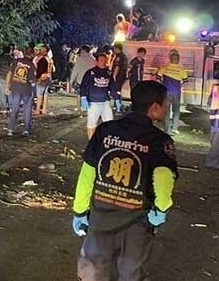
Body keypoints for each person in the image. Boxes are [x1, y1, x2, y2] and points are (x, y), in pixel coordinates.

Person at [71, 81, 178, 281]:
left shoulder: (104, 130)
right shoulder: (159, 140)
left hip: (100, 218)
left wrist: (80, 210)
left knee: (93, 270)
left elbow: (87, 173)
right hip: (137, 223)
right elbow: (163, 178)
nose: (167, 107)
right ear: (154, 108)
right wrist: (161, 209)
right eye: (166, 103)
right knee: (131, 271)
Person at [80, 53, 114, 140]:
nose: (103, 63)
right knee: (91, 124)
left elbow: (112, 86)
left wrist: (117, 98)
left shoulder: (108, 73)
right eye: (101, 61)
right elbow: (83, 86)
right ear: (97, 61)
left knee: (109, 124)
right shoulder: (91, 72)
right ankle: (91, 143)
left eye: (104, 61)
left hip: (105, 102)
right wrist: (83, 97)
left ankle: (106, 142)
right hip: (93, 102)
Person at [5, 46, 37, 136]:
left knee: (14, 109)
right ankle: (26, 130)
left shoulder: (16, 61)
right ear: (32, 54)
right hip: (26, 90)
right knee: (27, 109)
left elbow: (9, 73)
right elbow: (32, 80)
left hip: (15, 88)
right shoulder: (31, 65)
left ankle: (10, 129)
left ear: (24, 52)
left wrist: (7, 86)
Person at [157, 51, 189, 136]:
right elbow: (186, 80)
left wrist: (163, 84)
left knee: (166, 111)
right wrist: (179, 85)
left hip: (166, 92)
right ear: (178, 60)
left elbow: (158, 77)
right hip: (176, 93)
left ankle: (166, 129)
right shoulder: (181, 70)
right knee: (176, 110)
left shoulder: (165, 68)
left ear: (170, 59)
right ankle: (175, 128)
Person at [0, 44, 15, 111]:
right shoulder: (13, 59)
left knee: (2, 94)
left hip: (1, 78)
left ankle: (4, 108)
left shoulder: (0, 59)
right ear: (10, 51)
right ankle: (11, 108)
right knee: (10, 93)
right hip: (11, 79)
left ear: (3, 51)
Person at [33, 43, 54, 116]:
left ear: (44, 51)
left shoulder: (43, 59)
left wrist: (37, 78)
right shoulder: (50, 59)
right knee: (45, 94)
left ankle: (37, 110)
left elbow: (40, 70)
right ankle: (44, 109)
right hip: (48, 77)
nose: (40, 51)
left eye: (41, 49)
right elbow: (52, 69)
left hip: (42, 78)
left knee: (39, 95)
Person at [110, 43, 128, 113]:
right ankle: (117, 106)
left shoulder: (119, 57)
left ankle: (118, 108)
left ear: (117, 48)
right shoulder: (124, 56)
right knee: (118, 92)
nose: (113, 50)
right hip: (122, 77)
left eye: (114, 48)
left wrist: (114, 76)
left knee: (116, 92)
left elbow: (117, 66)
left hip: (118, 77)